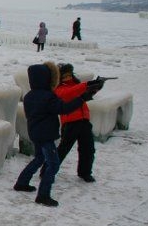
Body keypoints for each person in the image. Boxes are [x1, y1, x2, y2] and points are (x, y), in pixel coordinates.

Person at [13, 62, 99, 206]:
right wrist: (82, 98)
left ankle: (21, 182)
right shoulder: (48, 96)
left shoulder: (28, 96)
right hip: (46, 135)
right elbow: (64, 108)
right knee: (53, 164)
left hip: (35, 133)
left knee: (39, 158)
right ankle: (43, 195)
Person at [55, 64, 102, 183]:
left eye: (69, 75)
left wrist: (95, 88)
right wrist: (87, 85)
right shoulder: (59, 88)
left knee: (88, 149)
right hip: (70, 122)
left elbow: (83, 94)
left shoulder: (77, 85)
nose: (68, 78)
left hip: (84, 120)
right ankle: (48, 170)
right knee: (63, 149)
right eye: (65, 76)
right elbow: (68, 93)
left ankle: (85, 172)